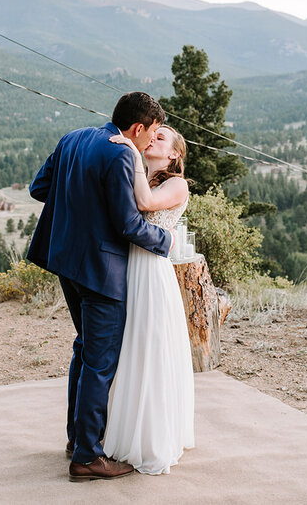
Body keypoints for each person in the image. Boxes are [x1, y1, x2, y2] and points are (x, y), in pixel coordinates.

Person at [27, 92, 174, 482]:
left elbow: (39, 189)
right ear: (138, 127)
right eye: (153, 133)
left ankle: (77, 440)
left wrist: (80, 204)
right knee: (100, 361)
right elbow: (128, 225)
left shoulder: (72, 138)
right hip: (101, 271)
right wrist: (167, 243)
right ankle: (88, 457)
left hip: (65, 262)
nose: (150, 142)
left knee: (83, 348)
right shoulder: (123, 154)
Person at [104, 124, 195, 475]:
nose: (153, 140)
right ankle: (123, 431)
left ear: (173, 154)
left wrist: (130, 149)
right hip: (126, 269)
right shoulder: (136, 173)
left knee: (150, 348)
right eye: (152, 136)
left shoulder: (177, 184)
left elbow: (146, 204)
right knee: (129, 348)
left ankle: (151, 439)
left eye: (162, 138)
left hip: (152, 273)